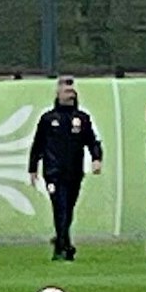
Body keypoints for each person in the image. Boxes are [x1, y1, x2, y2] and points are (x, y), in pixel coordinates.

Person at [27, 76, 102, 261]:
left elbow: (92, 141)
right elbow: (38, 145)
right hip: (54, 172)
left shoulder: (82, 119)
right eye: (66, 90)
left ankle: (61, 243)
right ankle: (63, 245)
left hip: (74, 171)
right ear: (58, 94)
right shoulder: (48, 119)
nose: (70, 93)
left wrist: (97, 158)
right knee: (59, 206)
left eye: (71, 90)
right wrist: (33, 168)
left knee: (68, 209)